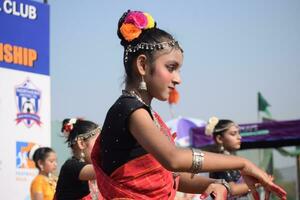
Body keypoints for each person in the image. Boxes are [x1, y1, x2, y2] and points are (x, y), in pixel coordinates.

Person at [91, 10, 287, 200]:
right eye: (171, 68)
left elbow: (172, 177)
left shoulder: (145, 113)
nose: (178, 79)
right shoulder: (130, 110)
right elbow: (174, 159)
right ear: (142, 65)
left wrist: (221, 185)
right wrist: (243, 163)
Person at [206, 117, 259, 199]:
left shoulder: (228, 159)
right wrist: (259, 183)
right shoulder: (222, 161)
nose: (239, 137)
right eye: (233, 134)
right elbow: (233, 190)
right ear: (219, 139)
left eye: (238, 133)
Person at [54, 118, 103, 200]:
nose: (101, 147)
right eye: (98, 143)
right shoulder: (70, 167)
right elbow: (103, 170)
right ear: (81, 143)